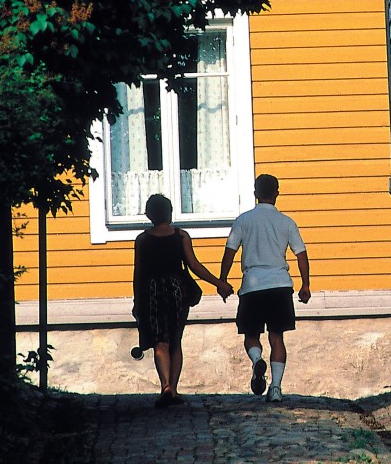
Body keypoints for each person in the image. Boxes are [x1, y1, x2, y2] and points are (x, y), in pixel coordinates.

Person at [132, 193, 232, 407]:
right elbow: (194, 266)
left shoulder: (142, 239)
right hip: (177, 290)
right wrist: (219, 283)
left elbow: (138, 271)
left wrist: (137, 300)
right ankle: (174, 390)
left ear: (149, 214)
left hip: (152, 291)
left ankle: (165, 386)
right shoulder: (181, 236)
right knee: (176, 340)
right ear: (169, 213)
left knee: (160, 340)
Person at [218, 173, 311, 402]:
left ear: (255, 194)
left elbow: (230, 252)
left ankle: (257, 360)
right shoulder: (286, 222)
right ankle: (277, 388)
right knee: (277, 337)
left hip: (252, 286)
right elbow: (301, 255)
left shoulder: (243, 220)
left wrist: (222, 280)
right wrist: (305, 285)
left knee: (251, 335)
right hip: (280, 285)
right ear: (277, 193)